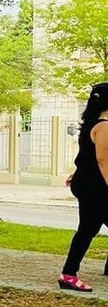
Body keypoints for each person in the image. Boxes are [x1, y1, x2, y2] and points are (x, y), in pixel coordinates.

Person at [58, 82, 108, 291]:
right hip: (97, 188)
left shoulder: (90, 123)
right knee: (87, 230)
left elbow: (85, 156)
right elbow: (103, 159)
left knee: (87, 229)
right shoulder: (104, 126)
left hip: (87, 184)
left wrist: (77, 174)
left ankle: (69, 274)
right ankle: (68, 274)